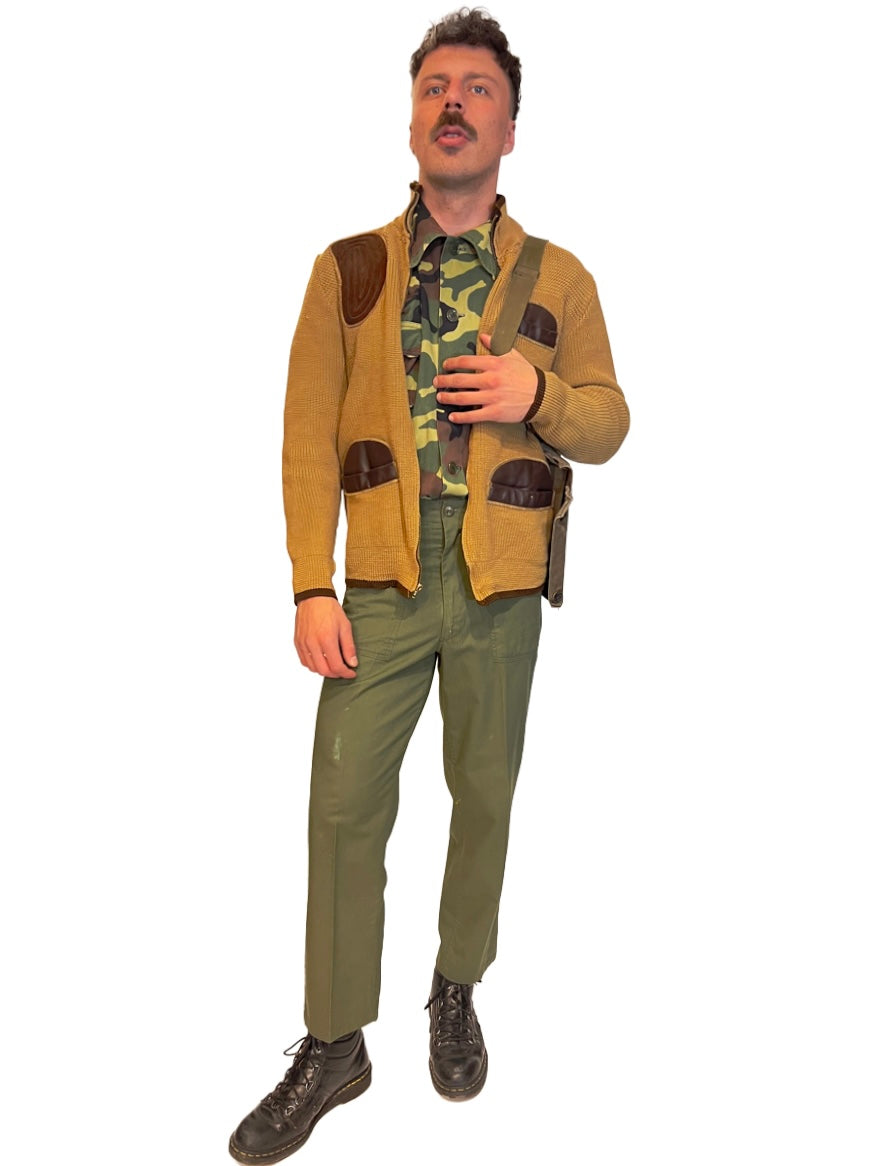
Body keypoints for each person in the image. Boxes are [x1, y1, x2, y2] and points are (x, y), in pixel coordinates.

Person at [229, 8, 629, 1162]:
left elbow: (608, 421)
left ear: (510, 125)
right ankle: (334, 1041)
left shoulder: (560, 278)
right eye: (435, 87)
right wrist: (309, 585)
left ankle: (456, 984)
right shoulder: (348, 269)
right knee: (342, 805)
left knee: (484, 791)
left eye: (478, 88)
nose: (454, 103)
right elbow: (306, 438)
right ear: (411, 119)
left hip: (501, 580)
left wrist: (534, 392)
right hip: (381, 581)